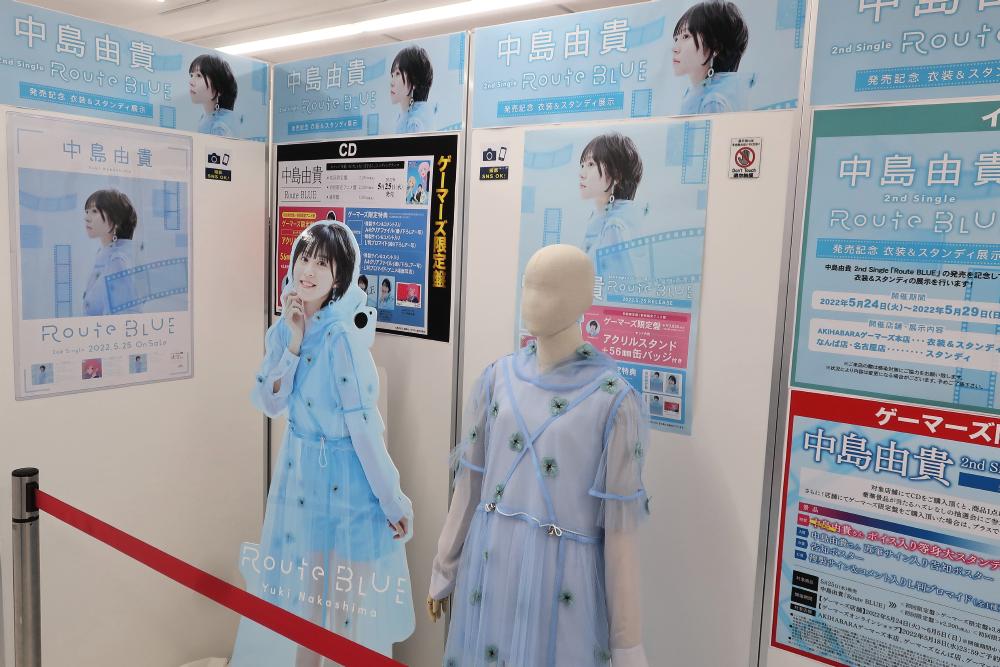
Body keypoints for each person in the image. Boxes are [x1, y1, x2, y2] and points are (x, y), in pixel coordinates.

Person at [428, 245, 650, 667]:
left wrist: (628, 645)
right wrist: (444, 565)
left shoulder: (613, 401)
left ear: (583, 298)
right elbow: (469, 482)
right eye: (527, 286)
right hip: (491, 564)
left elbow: (621, 535)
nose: (530, 300)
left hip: (561, 581)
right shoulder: (497, 378)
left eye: (546, 289)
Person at [230, 221, 414, 665]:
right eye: (304, 259)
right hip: (302, 483)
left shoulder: (342, 339)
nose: (308, 271)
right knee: (306, 613)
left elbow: (364, 431)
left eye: (322, 264)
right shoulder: (285, 329)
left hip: (350, 487)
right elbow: (269, 401)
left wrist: (392, 500)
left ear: (339, 278)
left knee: (347, 619)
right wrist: (292, 344)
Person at [579, 132, 645, 280]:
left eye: (591, 164)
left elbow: (618, 286)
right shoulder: (602, 218)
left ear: (617, 175)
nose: (582, 173)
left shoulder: (615, 226)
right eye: (582, 165)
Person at [673, 1, 750, 115]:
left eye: (686, 36)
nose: (675, 48)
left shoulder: (713, 102)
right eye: (676, 39)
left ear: (715, 47)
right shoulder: (694, 94)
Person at [82, 190, 139, 316]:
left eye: (94, 211)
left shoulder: (117, 261)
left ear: (114, 220)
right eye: (87, 211)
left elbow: (121, 316)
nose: (87, 218)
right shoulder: (104, 254)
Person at [189, 54, 239, 137]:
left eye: (199, 75)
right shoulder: (205, 117)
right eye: (191, 75)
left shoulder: (220, 127)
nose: (191, 82)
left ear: (218, 87)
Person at [390, 45, 435, 134]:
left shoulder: (414, 124)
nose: (391, 82)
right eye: (392, 75)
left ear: (414, 80)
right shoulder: (410, 116)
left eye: (398, 73)